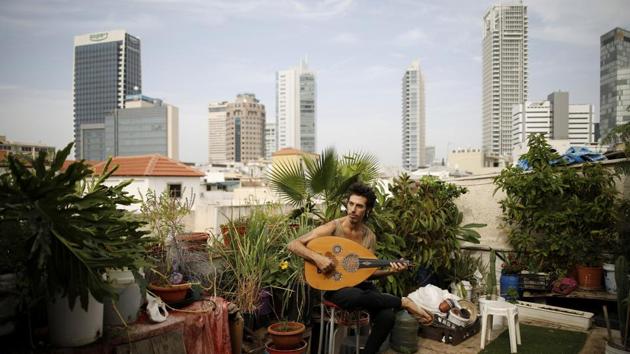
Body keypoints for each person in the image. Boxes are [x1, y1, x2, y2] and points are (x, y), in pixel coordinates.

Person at [288, 182, 432, 354]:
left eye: (359, 206)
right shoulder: (334, 227)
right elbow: (293, 244)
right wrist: (318, 258)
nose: (353, 209)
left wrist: (390, 270)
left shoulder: (369, 236)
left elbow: (367, 275)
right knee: (355, 295)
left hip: (361, 288)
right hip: (336, 287)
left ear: (367, 210)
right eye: (351, 204)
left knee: (387, 316)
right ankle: (403, 302)